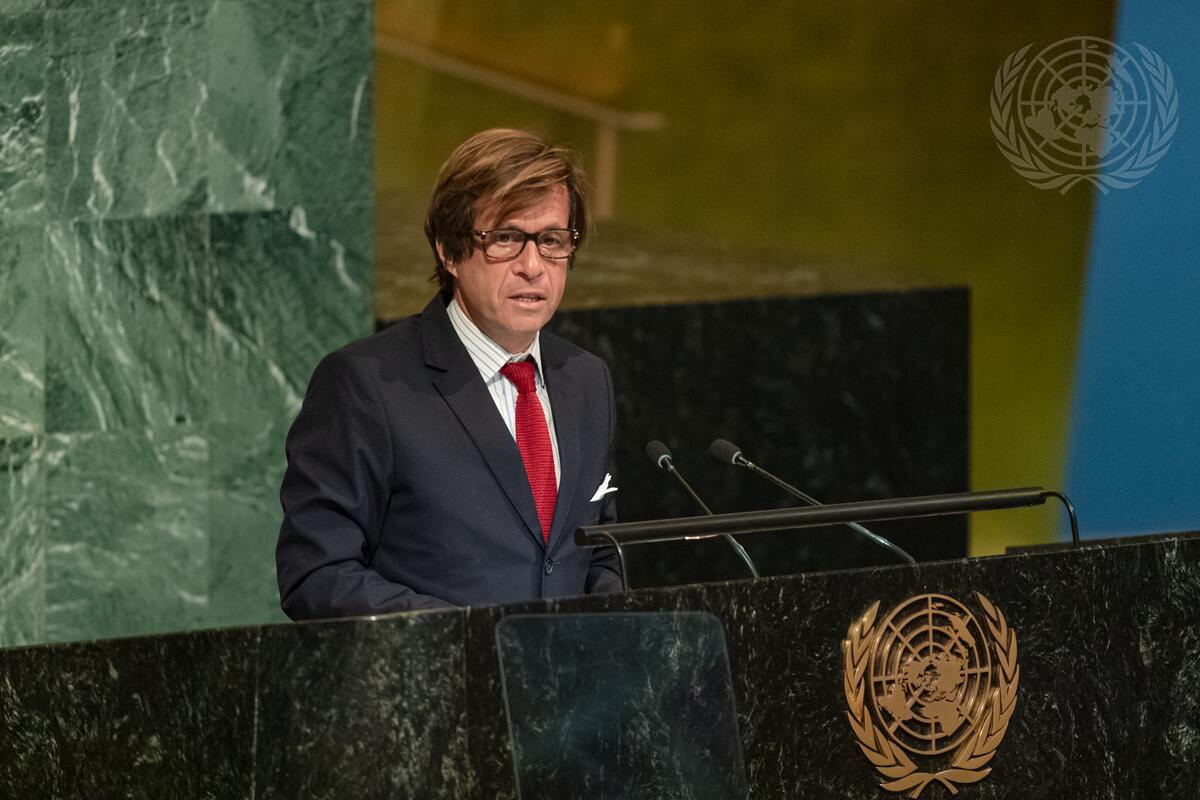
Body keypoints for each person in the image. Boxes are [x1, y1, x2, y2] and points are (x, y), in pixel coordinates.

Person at [276, 129, 623, 618]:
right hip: (436, 665)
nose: (532, 266)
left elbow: (598, 550)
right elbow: (317, 574)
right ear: (449, 250)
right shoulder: (364, 384)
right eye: (505, 239)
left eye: (551, 241)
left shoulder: (587, 379)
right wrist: (463, 636)